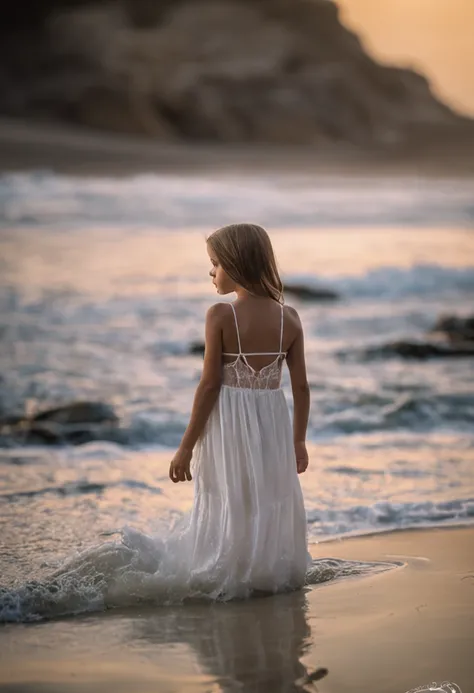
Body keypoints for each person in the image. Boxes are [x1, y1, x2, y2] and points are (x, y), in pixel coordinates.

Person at [169, 222, 310, 597]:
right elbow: (300, 388)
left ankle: (229, 569)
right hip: (272, 422)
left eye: (215, 264)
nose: (211, 273)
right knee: (267, 493)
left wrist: (186, 446)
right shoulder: (290, 318)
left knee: (228, 491)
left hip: (229, 422)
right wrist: (299, 441)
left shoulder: (220, 315)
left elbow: (210, 384)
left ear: (234, 262)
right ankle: (268, 570)